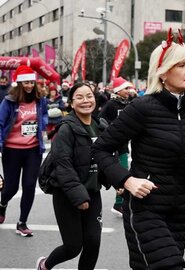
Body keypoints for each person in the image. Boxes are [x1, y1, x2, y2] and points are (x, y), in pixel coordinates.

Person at [91, 29, 185, 270]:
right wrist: (127, 181)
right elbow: (100, 150)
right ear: (162, 73)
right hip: (144, 208)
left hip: (178, 210)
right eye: (182, 65)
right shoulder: (142, 107)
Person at [36, 82, 109, 270]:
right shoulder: (66, 129)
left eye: (89, 96)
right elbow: (62, 165)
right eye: (80, 97)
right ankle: (45, 265)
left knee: (93, 243)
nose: (86, 101)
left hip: (92, 192)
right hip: (67, 194)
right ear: (71, 103)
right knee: (73, 246)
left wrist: (116, 181)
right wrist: (78, 196)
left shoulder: (100, 126)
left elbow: (108, 157)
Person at [0, 65, 48, 236]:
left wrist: (42, 125)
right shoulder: (9, 101)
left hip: (33, 150)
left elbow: (43, 115)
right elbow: (0, 123)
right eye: (25, 82)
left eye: (31, 82)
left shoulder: (40, 99)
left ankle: (22, 223)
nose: (29, 85)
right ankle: (2, 204)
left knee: (29, 186)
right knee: (11, 188)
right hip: (12, 150)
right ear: (19, 83)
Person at [98, 76, 132, 217]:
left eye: (128, 88)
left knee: (123, 173)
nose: (128, 91)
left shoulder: (127, 104)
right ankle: (119, 204)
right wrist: (111, 130)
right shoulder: (111, 105)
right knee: (123, 173)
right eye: (125, 88)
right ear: (118, 91)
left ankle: (119, 204)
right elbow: (100, 119)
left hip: (123, 144)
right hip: (115, 146)